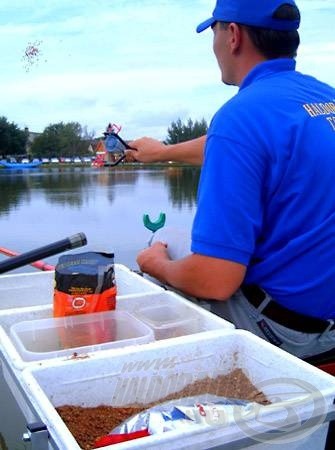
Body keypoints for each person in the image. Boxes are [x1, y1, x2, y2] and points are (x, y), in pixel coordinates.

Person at [126, 0, 335, 360]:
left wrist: (153, 262)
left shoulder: (240, 117)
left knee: (164, 240)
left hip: (288, 332)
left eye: (214, 31)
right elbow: (254, 148)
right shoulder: (322, 99)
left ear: (233, 35)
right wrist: (162, 152)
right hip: (326, 315)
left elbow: (215, 279)